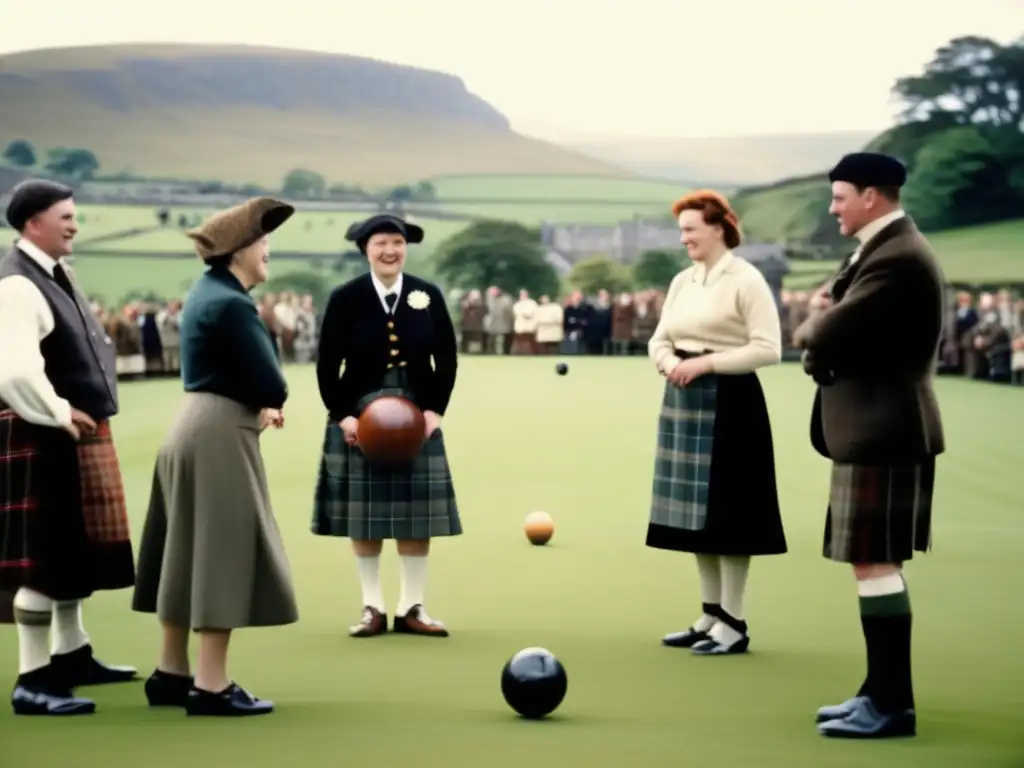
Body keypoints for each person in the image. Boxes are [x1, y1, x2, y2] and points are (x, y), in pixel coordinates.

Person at [794, 153, 944, 739]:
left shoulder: (899, 257)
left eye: (839, 197)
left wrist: (813, 331)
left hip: (884, 428)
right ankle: (877, 692)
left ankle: (891, 705)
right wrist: (825, 325)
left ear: (871, 197)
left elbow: (828, 326)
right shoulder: (883, 248)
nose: (832, 208)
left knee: (875, 562)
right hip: (876, 426)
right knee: (872, 562)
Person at [131, 197, 298, 717]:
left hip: (192, 424)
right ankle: (211, 684)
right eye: (263, 241)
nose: (269, 250)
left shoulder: (206, 292)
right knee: (221, 553)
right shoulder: (233, 303)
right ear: (239, 250)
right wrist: (267, 398)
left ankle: (171, 671)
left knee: (185, 550)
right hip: (219, 433)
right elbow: (273, 382)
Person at [0, 179, 137, 716]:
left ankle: (72, 652)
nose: (75, 224)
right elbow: (12, 368)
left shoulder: (56, 274)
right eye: (66, 216)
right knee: (46, 554)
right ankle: (32, 679)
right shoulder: (17, 284)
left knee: (75, 547)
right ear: (33, 222)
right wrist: (56, 411)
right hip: (43, 432)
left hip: (69, 429)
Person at [646, 190, 786, 656]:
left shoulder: (746, 279)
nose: (683, 237)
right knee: (693, 515)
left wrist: (705, 365)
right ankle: (709, 614)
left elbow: (769, 348)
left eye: (690, 229)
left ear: (718, 229)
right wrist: (667, 361)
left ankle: (734, 622)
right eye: (681, 229)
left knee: (730, 514)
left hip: (731, 401)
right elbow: (660, 338)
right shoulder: (684, 280)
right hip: (684, 397)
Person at [312, 213, 461, 638]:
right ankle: (372, 607)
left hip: (417, 412)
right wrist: (343, 414)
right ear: (366, 250)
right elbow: (327, 363)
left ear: (405, 248)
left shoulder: (426, 295)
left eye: (397, 242)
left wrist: (435, 410)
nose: (390, 251)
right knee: (366, 517)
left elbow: (446, 358)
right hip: (360, 412)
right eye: (380, 243)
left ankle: (412, 607)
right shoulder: (345, 298)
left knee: (417, 516)